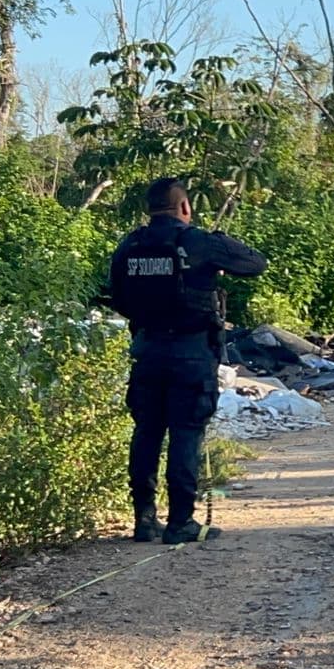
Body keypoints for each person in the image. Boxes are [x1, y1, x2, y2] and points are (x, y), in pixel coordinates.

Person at [109, 177, 268, 544]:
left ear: (149, 209)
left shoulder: (130, 245)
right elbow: (256, 264)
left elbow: (116, 296)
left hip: (146, 352)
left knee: (146, 432)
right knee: (186, 433)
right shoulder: (197, 242)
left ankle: (144, 520)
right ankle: (181, 521)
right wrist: (219, 245)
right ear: (185, 207)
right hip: (191, 353)